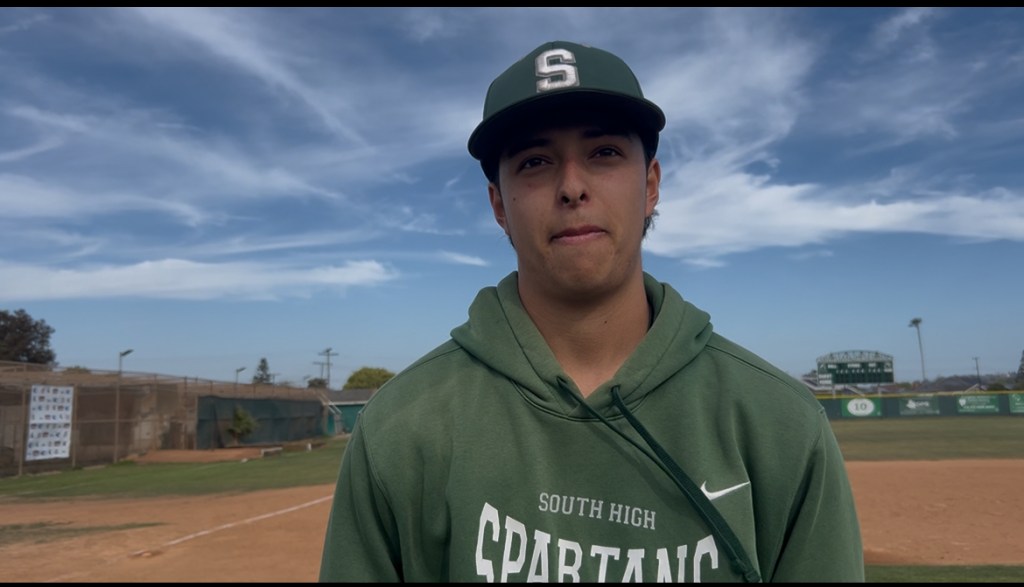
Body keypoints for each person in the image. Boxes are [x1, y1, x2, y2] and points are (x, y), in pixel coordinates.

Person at [319, 40, 864, 583]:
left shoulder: (781, 424)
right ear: (498, 206)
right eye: (535, 162)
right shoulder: (400, 428)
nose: (572, 187)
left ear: (649, 185)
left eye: (604, 153)